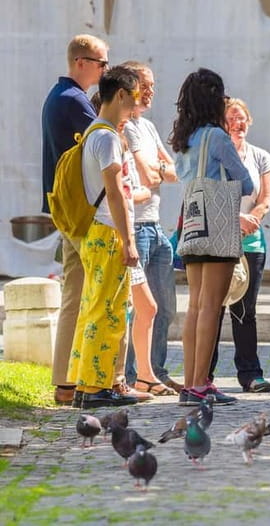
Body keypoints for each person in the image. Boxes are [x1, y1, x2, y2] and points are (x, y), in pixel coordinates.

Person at [170, 68, 254, 406]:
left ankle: (193, 381)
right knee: (212, 307)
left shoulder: (183, 140)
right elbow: (246, 183)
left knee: (194, 305)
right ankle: (200, 384)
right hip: (217, 223)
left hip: (192, 223)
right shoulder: (216, 137)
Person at [42, 34, 109, 405]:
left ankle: (67, 379)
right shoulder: (74, 101)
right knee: (84, 293)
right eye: (102, 64)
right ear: (81, 62)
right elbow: (104, 146)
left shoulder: (60, 97)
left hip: (66, 209)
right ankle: (75, 380)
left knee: (77, 292)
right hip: (78, 211)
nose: (105, 71)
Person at [69, 65, 141, 408]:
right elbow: (116, 194)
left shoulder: (93, 133)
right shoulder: (108, 137)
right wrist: (128, 240)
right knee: (108, 312)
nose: (137, 104)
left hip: (94, 232)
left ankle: (86, 384)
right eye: (136, 96)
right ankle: (96, 387)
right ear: (123, 95)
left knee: (93, 308)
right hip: (109, 231)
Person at [120, 61, 181, 396]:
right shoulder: (126, 127)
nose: (151, 91)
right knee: (138, 308)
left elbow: (171, 172)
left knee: (164, 307)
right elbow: (150, 176)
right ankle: (131, 375)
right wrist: (158, 170)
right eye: (145, 84)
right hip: (137, 226)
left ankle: (153, 371)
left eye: (153, 85)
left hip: (156, 226)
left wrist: (157, 169)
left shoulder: (149, 127)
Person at [208, 97, 270, 394]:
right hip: (220, 238)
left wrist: (252, 218)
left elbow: (267, 198)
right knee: (214, 307)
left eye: (242, 117)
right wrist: (235, 219)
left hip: (252, 241)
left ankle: (250, 373)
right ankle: (203, 374)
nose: (238, 123)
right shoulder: (216, 154)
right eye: (232, 118)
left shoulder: (260, 156)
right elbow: (209, 193)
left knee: (245, 309)